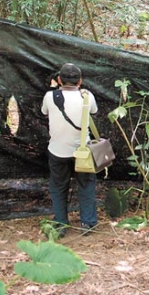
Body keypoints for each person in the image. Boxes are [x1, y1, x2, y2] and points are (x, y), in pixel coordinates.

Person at [41, 63, 98, 237]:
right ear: (80, 81)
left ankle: (61, 223)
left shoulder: (50, 97)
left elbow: (44, 112)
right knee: (86, 185)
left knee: (58, 186)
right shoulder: (88, 96)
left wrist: (53, 89)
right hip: (83, 151)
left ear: (59, 79)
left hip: (58, 150)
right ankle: (87, 223)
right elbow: (94, 112)